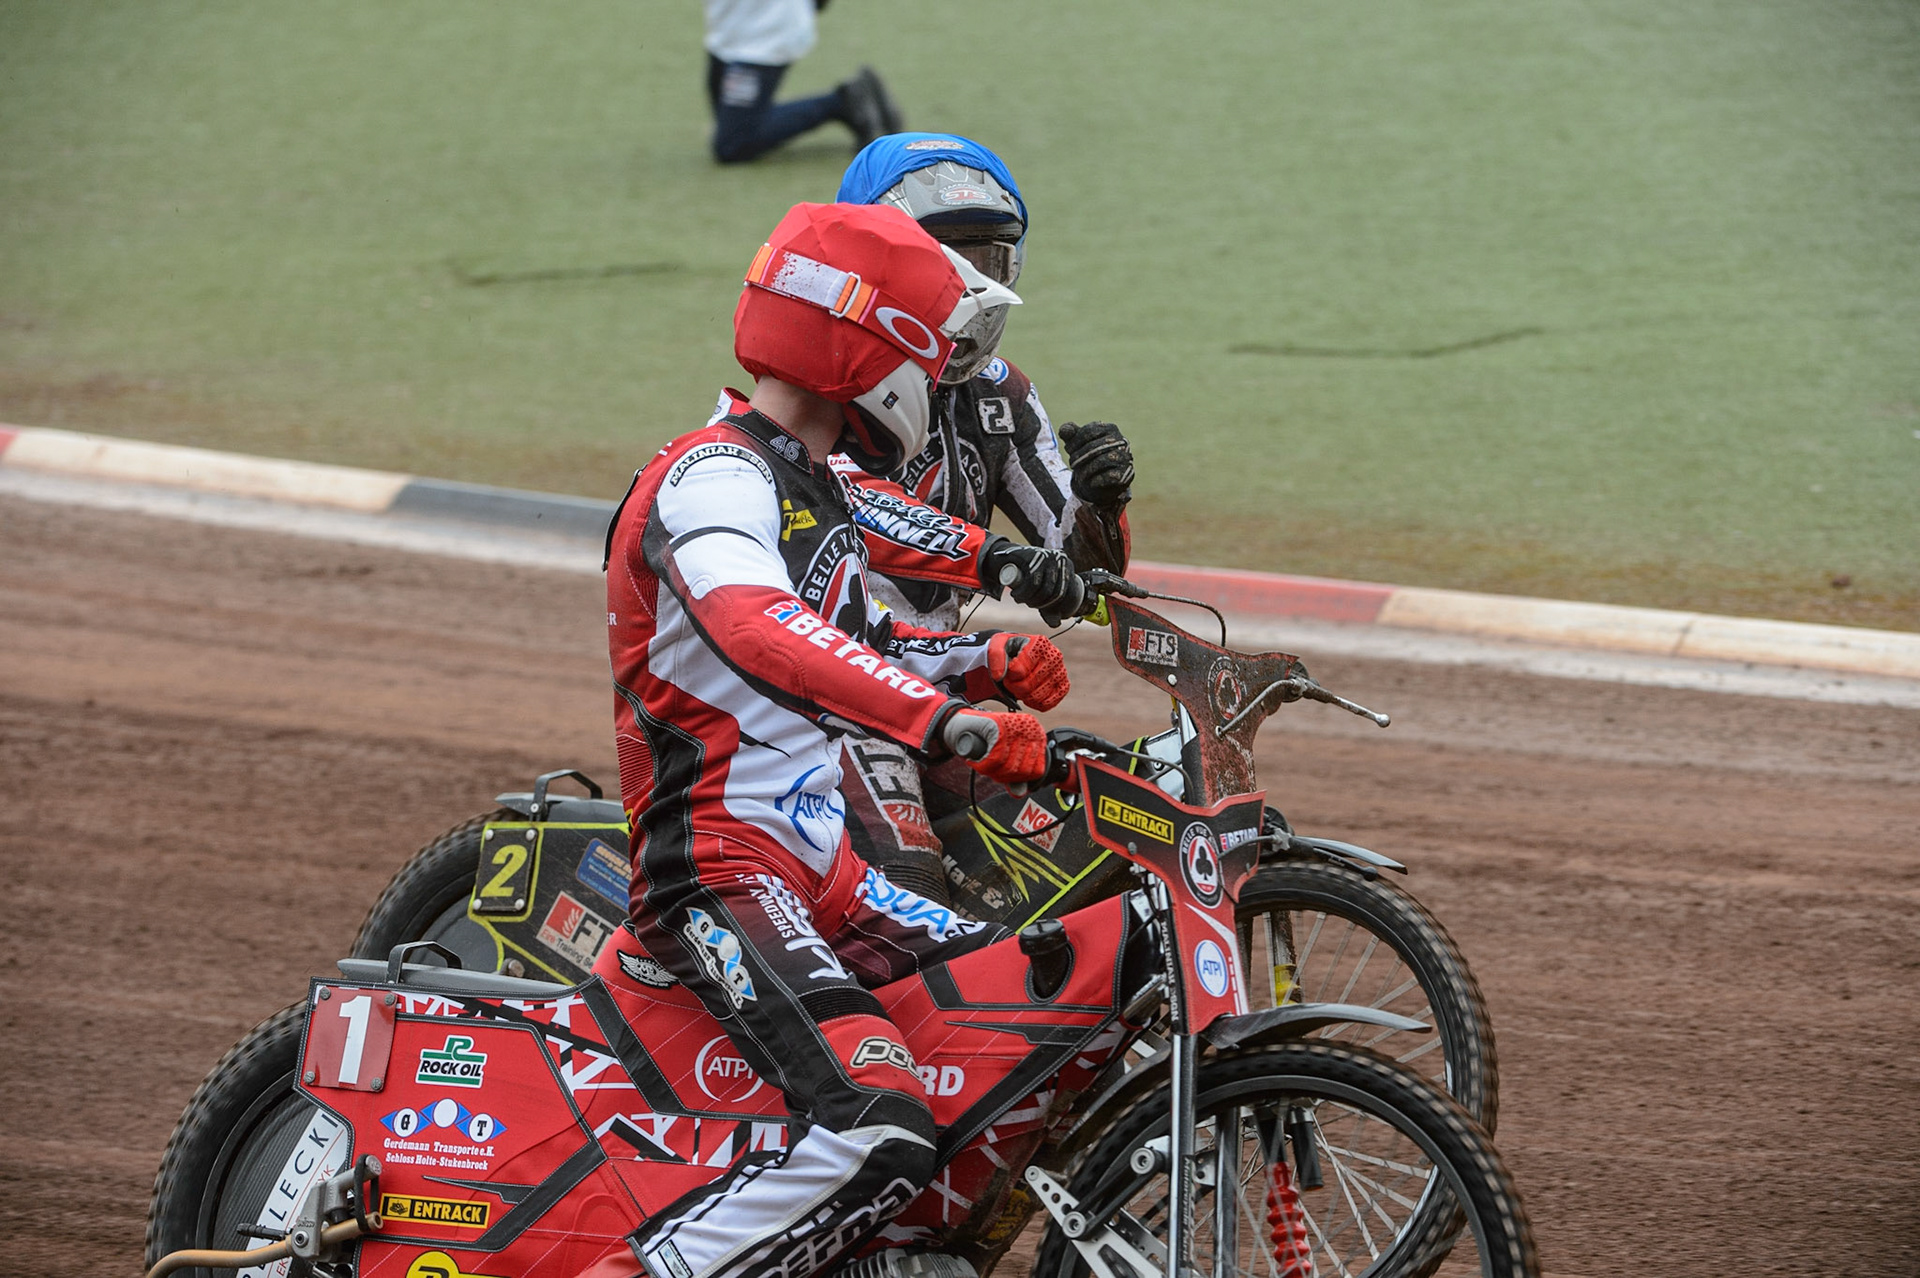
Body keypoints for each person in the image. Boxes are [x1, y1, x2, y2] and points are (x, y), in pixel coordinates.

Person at [605, 201, 1067, 1278]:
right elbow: (757, 627)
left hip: (830, 872)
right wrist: (942, 717)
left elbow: (862, 640)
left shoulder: (813, 483)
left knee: (1036, 998)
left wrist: (976, 667)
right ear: (875, 342)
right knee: (879, 1127)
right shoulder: (712, 475)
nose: (948, 375)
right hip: (716, 873)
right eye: (939, 343)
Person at [830, 134, 1137, 903]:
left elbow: (1089, 582)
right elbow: (858, 509)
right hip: (828, 695)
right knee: (911, 888)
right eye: (944, 263)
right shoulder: (821, 382)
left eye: (987, 263)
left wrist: (1103, 504)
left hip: (947, 685)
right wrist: (994, 558)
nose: (968, 289)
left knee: (1069, 879)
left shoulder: (1000, 397)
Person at [703, 0, 903, 164]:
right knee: (729, 119)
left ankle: (845, 102)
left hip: (764, 34)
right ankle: (847, 101)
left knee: (733, 144)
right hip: (729, 26)